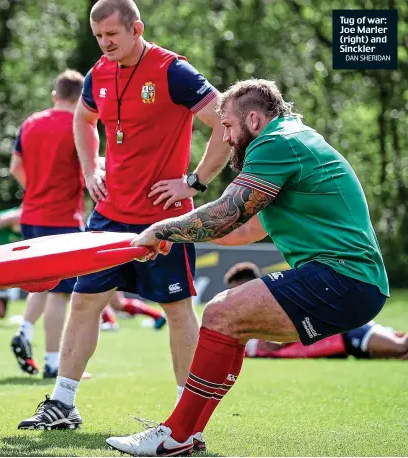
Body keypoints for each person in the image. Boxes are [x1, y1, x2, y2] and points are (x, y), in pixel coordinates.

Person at [105, 78, 389, 456]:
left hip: (343, 276)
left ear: (254, 120)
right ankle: (184, 436)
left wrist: (160, 229)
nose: (225, 137)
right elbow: (241, 231)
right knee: (229, 324)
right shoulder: (291, 139)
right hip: (353, 282)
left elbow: (225, 215)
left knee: (221, 310)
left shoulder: (275, 143)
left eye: (227, 126)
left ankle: (174, 435)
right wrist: (172, 235)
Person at [17, 0, 230, 431]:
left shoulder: (173, 71)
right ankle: (62, 405)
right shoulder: (99, 73)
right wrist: (88, 167)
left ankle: (185, 418)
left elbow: (227, 121)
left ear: (137, 28)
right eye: (99, 37)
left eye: (112, 35)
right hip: (109, 216)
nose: (105, 44)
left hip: (165, 218)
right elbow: (84, 119)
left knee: (177, 309)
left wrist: (195, 182)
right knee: (84, 302)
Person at [9, 69, 86, 378]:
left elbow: (15, 166)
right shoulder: (80, 125)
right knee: (59, 293)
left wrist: (35, 190)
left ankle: (25, 330)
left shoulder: (31, 122)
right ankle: (53, 362)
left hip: (31, 214)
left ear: (55, 96)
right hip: (63, 218)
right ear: (82, 98)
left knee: (42, 282)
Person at [223, 263, 407, 360]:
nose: (233, 296)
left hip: (347, 333)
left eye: (236, 289)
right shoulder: (249, 319)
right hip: (343, 344)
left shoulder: (273, 303)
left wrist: (275, 340)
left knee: (401, 346)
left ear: (245, 285)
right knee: (401, 353)